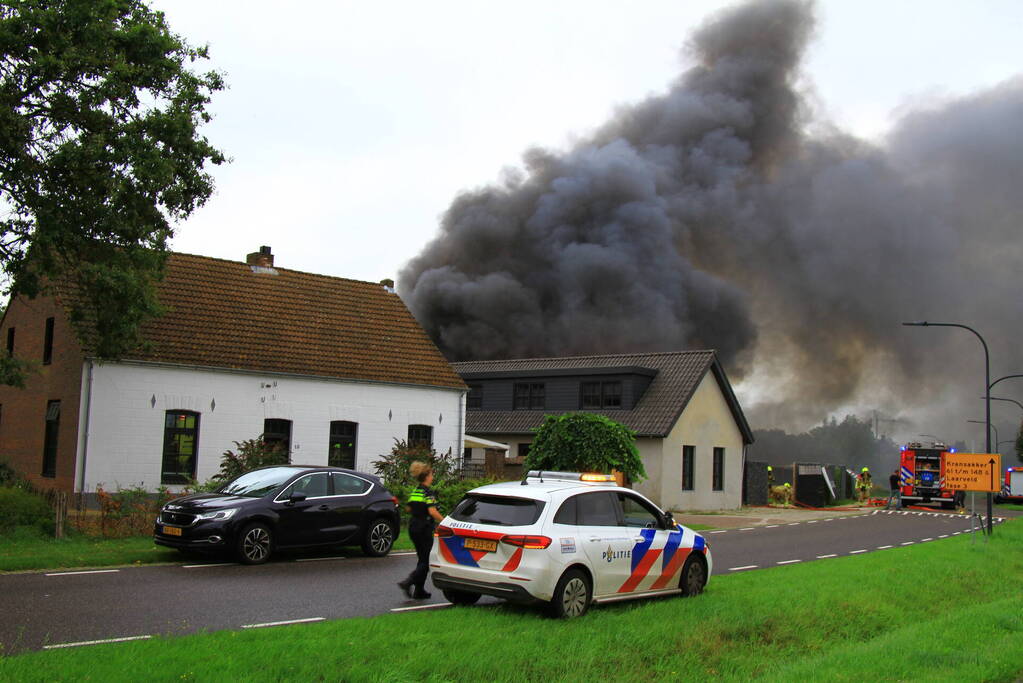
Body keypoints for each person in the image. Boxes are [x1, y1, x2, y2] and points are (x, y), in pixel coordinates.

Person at [398, 461, 444, 600]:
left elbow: (409, 508)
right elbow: (432, 511)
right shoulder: (428, 492)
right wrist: (445, 521)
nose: (432, 477)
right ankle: (409, 582)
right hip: (424, 528)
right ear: (426, 476)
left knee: (422, 559)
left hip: (413, 527)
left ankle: (419, 590)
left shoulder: (416, 490)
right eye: (431, 475)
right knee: (427, 560)